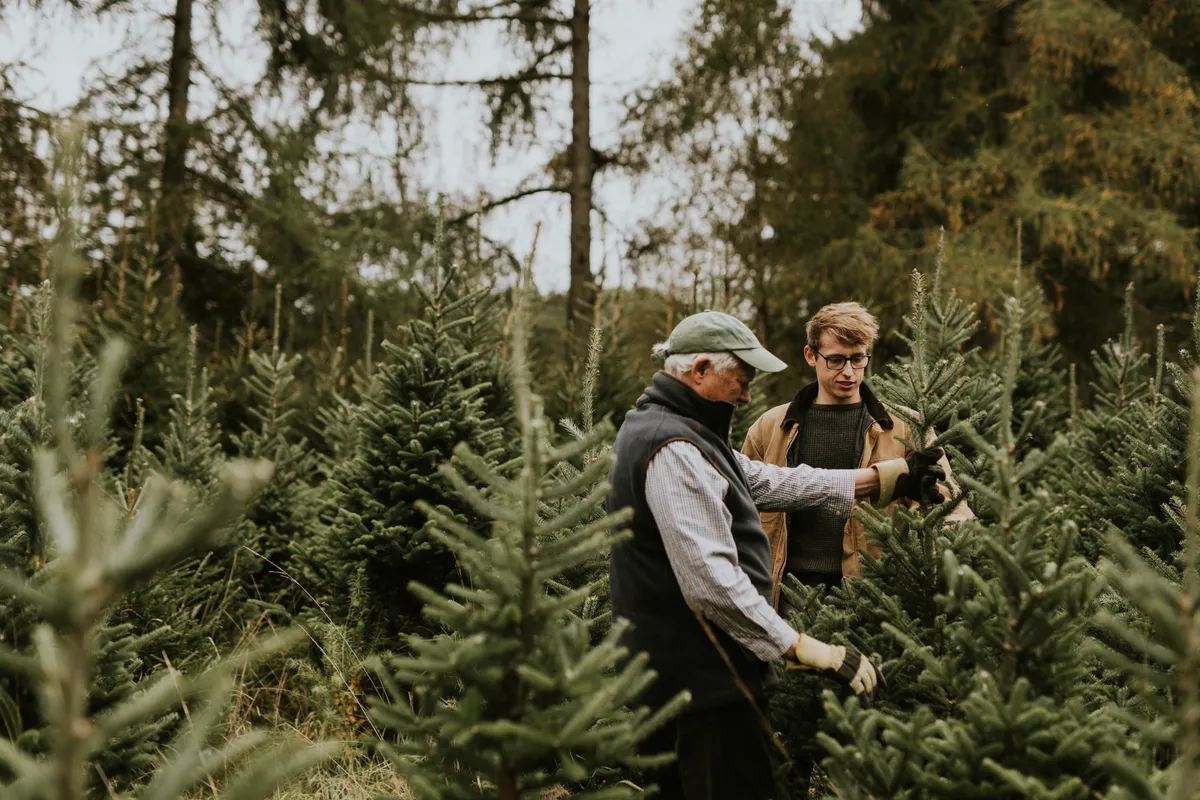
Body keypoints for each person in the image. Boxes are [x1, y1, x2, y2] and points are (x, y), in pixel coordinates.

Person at [606, 310, 946, 800]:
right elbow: (711, 582)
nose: (746, 395)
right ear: (699, 369)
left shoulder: (681, 430)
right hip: (701, 685)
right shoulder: (675, 447)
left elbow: (774, 481)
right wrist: (804, 647)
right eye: (740, 381)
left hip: (691, 679)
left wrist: (885, 478)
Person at [741, 302, 974, 614]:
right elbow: (739, 515)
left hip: (871, 598)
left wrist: (956, 554)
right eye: (836, 360)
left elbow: (949, 506)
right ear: (811, 356)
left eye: (857, 359)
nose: (849, 372)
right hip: (787, 598)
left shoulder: (907, 426)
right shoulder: (770, 428)